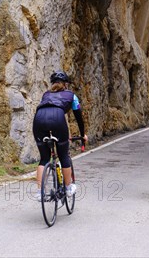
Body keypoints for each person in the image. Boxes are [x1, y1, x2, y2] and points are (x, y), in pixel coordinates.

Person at [33, 71, 88, 201]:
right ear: (66, 85)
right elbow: (79, 117)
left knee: (44, 158)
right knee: (63, 156)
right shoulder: (71, 96)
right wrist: (82, 134)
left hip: (38, 119)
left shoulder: (45, 95)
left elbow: (45, 111)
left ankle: (40, 192)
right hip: (58, 118)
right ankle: (68, 188)